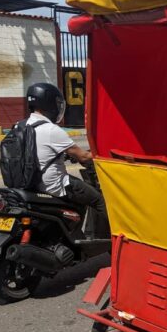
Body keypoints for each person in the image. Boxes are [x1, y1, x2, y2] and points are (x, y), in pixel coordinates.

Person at [25, 83, 108, 234]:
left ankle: (72, 231)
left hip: (30, 183)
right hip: (54, 185)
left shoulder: (21, 126)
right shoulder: (51, 130)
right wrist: (102, 154)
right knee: (98, 200)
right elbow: (83, 156)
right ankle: (113, 241)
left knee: (81, 198)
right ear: (49, 103)